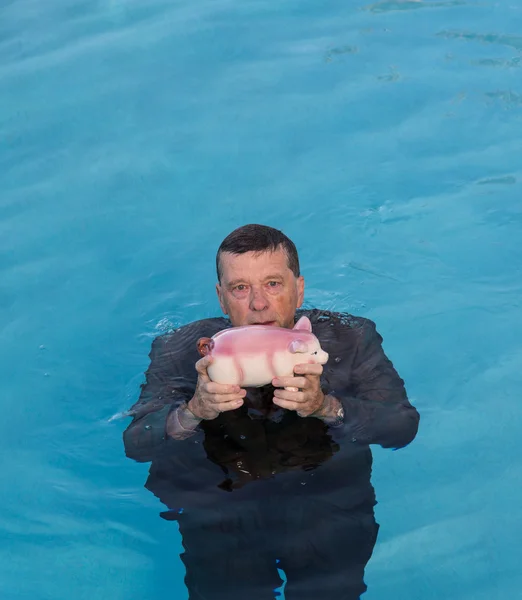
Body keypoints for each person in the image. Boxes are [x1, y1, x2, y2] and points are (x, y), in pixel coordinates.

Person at [123, 224, 420, 600]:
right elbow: (136, 442)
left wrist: (326, 407)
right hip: (223, 514)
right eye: (240, 288)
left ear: (299, 288)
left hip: (326, 507)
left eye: (273, 284)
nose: (258, 304)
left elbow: (402, 426)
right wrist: (192, 411)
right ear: (221, 298)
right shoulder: (180, 349)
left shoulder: (351, 339)